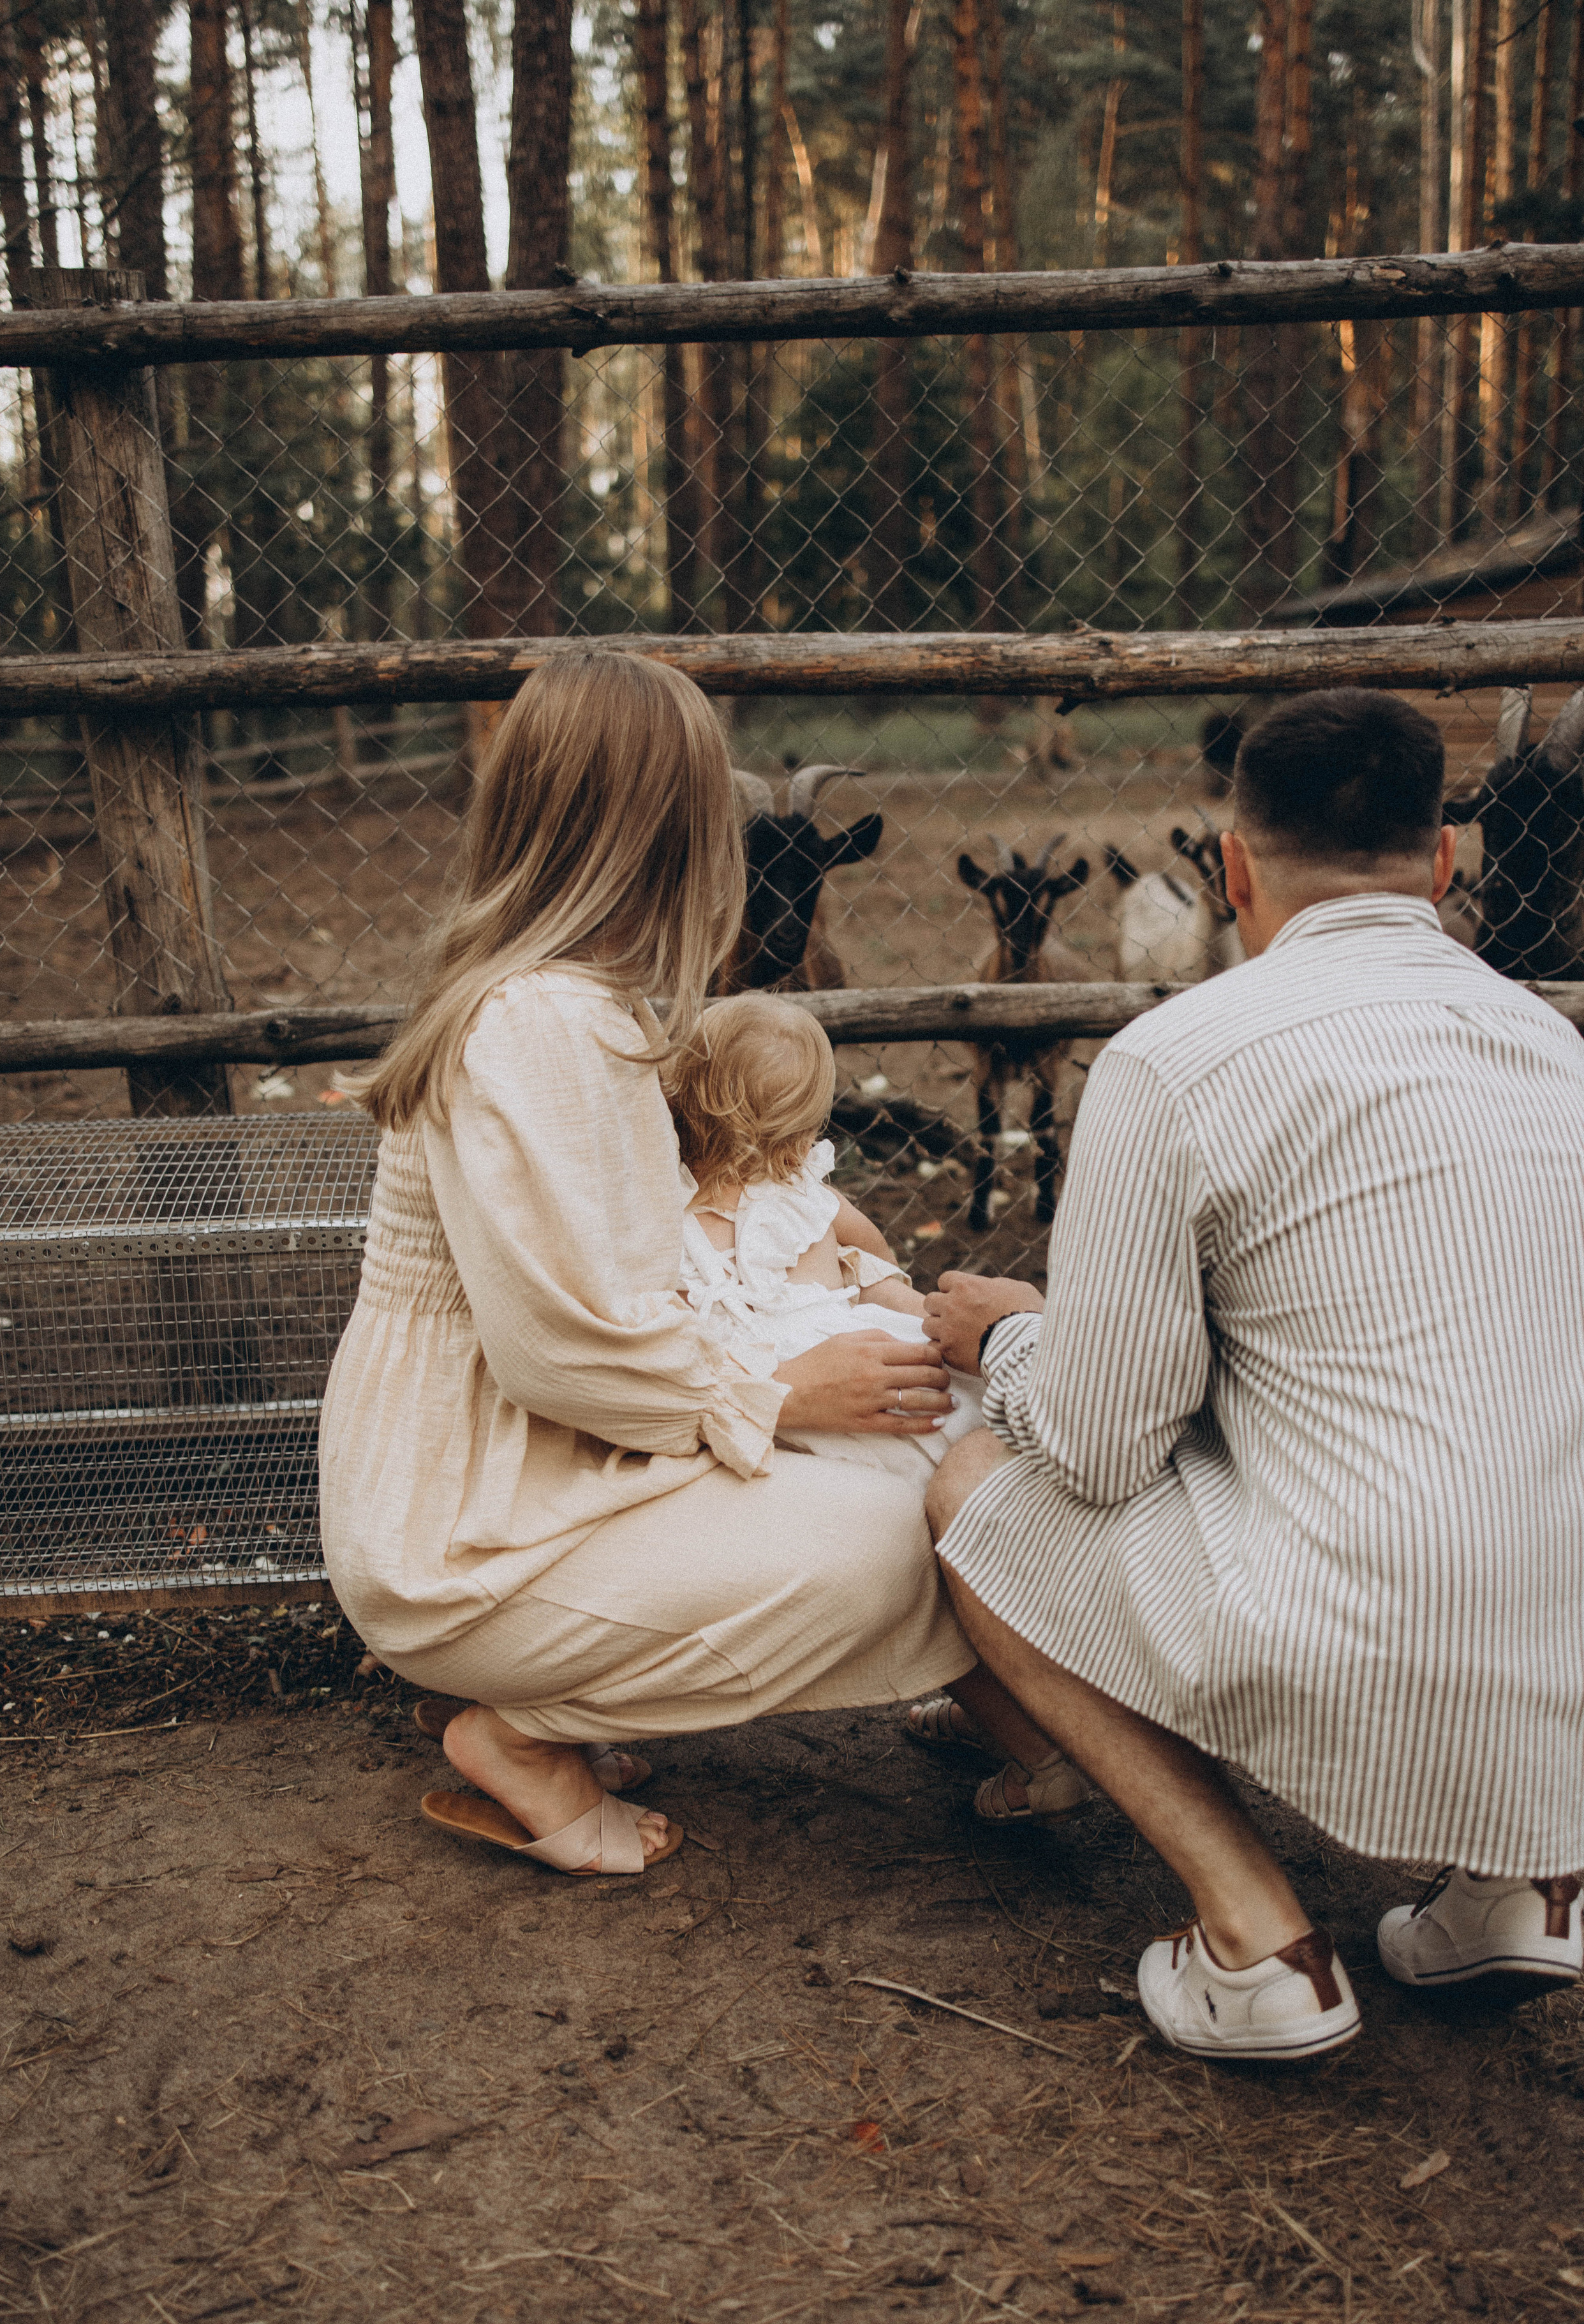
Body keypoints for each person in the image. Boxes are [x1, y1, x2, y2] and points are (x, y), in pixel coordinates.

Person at [921, 687, 1584, 2061]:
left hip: (1363, 1633)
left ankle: (1256, 1938)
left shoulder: (1175, 1060)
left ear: (1231, 866)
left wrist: (1006, 1337)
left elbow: (1098, 1447)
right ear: (1443, 861)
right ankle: (1524, 1879)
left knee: (979, 1478)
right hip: (1557, 1635)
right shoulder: (1551, 1050)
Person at [318, 648, 977, 1880]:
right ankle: (522, 1729)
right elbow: (565, 1347)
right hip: (473, 1531)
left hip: (535, 1477)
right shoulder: (538, 1025)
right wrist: (774, 1399)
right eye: (710, 813)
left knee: (912, 1478)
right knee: (902, 1534)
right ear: (666, 832)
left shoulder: (571, 1004)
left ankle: (570, 1690)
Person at [665, 992, 984, 1484]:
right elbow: (881, 1274)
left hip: (822, 1379)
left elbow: (877, 1279)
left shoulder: (670, 1218)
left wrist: (925, 1317)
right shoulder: (810, 1202)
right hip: (810, 1393)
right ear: (801, 1132)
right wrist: (928, 1318)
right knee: (954, 1415)